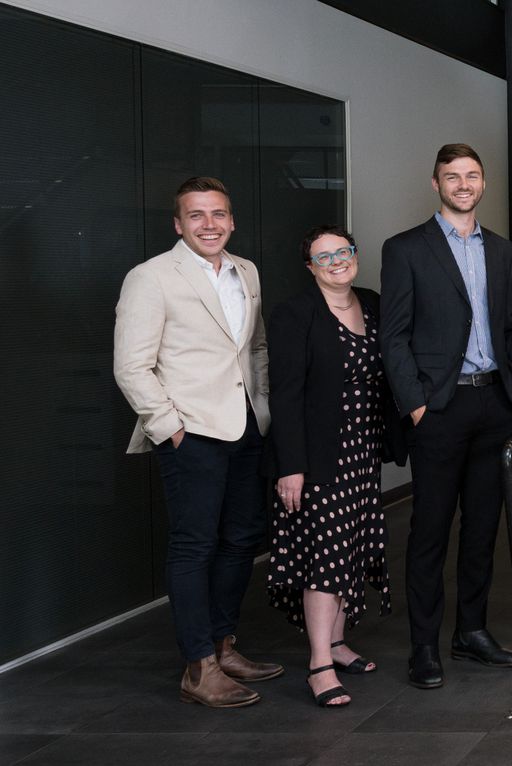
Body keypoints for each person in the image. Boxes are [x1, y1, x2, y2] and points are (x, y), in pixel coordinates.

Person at [113, 176, 281, 708]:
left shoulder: (246, 271)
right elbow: (131, 367)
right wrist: (173, 428)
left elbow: (254, 348)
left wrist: (265, 411)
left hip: (247, 428)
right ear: (178, 224)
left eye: (218, 215)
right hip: (194, 435)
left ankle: (224, 645)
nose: (209, 224)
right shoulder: (151, 277)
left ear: (231, 221)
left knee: (240, 540)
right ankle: (198, 666)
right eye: (197, 215)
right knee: (194, 546)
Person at [381, 143, 512, 689]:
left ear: (483, 183)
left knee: (483, 525)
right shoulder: (405, 249)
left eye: (471, 175)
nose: (463, 184)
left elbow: (511, 324)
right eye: (452, 176)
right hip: (438, 407)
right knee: (430, 529)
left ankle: (471, 631)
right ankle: (424, 645)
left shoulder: (503, 249)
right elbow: (393, 335)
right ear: (436, 183)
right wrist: (415, 402)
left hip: (493, 403)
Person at [265, 225, 406, 707]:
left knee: (351, 548)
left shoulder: (373, 303)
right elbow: (284, 395)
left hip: (362, 452)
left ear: (355, 255)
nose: (336, 262)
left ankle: (340, 643)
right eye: (323, 258)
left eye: (343, 252)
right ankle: (319, 664)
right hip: (318, 456)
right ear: (310, 267)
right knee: (325, 556)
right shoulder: (294, 314)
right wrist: (291, 466)